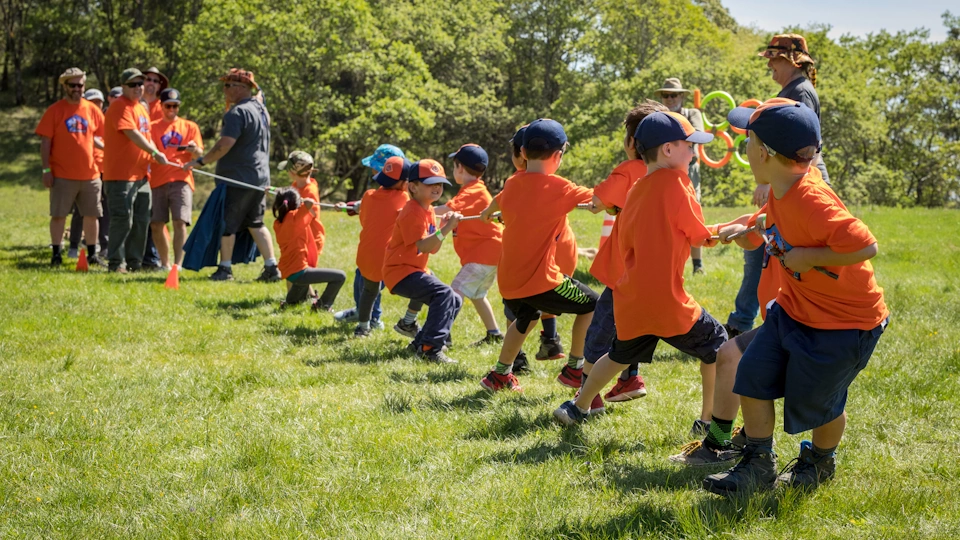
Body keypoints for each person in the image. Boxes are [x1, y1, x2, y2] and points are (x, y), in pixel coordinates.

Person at [703, 99, 888, 495]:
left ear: (765, 152)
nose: (745, 147)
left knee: (822, 406)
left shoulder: (814, 199)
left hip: (845, 322)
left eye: (747, 140)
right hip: (796, 308)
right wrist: (748, 228)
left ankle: (820, 461)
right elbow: (773, 214)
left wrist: (810, 256)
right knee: (751, 375)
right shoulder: (783, 186)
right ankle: (758, 464)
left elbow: (866, 245)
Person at [553, 111, 725, 428]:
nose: (693, 151)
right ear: (668, 150)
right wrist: (728, 231)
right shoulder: (679, 183)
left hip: (633, 298)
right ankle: (711, 422)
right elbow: (700, 234)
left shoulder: (637, 189)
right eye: (689, 145)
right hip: (669, 302)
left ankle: (577, 408)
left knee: (618, 355)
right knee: (720, 347)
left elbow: (626, 240)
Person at [479, 119, 599, 392]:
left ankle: (499, 375)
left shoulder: (512, 182)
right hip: (541, 280)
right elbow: (599, 197)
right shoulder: (560, 188)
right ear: (558, 156)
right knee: (593, 304)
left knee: (527, 317)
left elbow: (501, 196)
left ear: (522, 153)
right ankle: (575, 368)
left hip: (510, 281)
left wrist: (488, 210)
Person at [726, 33, 830, 338]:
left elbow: (797, 149)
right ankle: (744, 323)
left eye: (774, 58)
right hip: (788, 181)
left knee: (770, 252)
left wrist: (771, 186)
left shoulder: (800, 92)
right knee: (760, 250)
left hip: (796, 182)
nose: (769, 64)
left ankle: (758, 323)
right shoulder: (793, 88)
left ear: (791, 60)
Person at [579, 100, 667, 412]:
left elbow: (600, 198)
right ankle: (631, 378)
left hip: (623, 270)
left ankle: (588, 395)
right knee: (632, 325)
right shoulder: (669, 175)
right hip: (653, 269)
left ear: (632, 142)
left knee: (602, 330)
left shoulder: (629, 169)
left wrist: (601, 203)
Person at [184, 68, 279, 282]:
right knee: (256, 222)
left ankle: (225, 269)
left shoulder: (237, 113)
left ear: (242, 88)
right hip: (259, 179)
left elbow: (224, 145)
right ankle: (272, 268)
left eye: (228, 85)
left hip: (238, 178)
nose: (224, 89)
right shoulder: (261, 111)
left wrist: (200, 161)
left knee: (228, 224)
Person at [381, 159, 463, 364]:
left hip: (414, 269)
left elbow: (432, 248)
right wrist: (446, 228)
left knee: (454, 299)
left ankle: (420, 343)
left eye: (440, 183)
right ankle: (430, 349)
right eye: (430, 183)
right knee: (443, 294)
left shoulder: (427, 210)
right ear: (413, 187)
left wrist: (444, 225)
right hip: (400, 272)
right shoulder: (412, 211)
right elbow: (423, 246)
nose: (436, 187)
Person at [432, 144, 504, 345]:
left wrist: (422, 208)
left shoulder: (473, 191)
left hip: (483, 255)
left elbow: (446, 208)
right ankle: (494, 334)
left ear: (460, 168)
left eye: (454, 166)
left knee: (455, 291)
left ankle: (441, 336)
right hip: (489, 254)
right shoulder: (473, 190)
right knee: (477, 294)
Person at [347, 156, 425, 338]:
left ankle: (363, 327)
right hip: (389, 260)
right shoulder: (404, 198)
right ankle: (408, 321)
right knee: (426, 280)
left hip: (365, 257)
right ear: (404, 183)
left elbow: (364, 220)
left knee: (369, 290)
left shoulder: (368, 196)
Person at [36, 67, 106, 268]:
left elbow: (102, 137)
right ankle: (56, 253)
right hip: (62, 175)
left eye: (81, 85)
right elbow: (45, 142)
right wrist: (46, 170)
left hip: (90, 174)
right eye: (73, 85)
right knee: (58, 215)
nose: (77, 89)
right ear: (65, 87)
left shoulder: (92, 110)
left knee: (92, 215)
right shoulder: (55, 110)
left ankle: (92, 254)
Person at [103, 68, 169, 273]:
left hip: (141, 176)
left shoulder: (141, 108)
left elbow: (146, 136)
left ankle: (135, 262)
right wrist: (154, 151)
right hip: (121, 176)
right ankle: (116, 263)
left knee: (141, 222)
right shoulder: (119, 107)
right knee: (123, 219)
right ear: (123, 87)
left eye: (140, 84)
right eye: (132, 84)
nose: (138, 88)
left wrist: (154, 156)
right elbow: (131, 133)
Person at [334, 144, 407, 327]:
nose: (372, 171)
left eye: (375, 167)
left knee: (371, 285)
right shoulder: (395, 196)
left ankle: (372, 317)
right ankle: (362, 311)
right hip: (376, 254)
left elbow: (367, 214)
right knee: (365, 280)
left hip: (385, 254)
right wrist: (349, 206)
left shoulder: (385, 197)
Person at [656, 78, 707, 275]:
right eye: (665, 95)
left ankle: (697, 265)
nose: (669, 99)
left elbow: (697, 136)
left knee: (693, 212)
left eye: (673, 95)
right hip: (663, 171)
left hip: (689, 170)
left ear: (682, 96)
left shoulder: (692, 114)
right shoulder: (658, 116)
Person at [149, 88, 203, 270]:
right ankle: (164, 263)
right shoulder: (152, 127)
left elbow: (200, 153)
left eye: (175, 106)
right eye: (168, 106)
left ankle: (177, 264)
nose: (172, 109)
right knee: (157, 223)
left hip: (182, 179)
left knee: (180, 221)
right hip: (157, 180)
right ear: (161, 105)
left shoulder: (190, 126)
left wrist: (193, 149)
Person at [271, 189, 346, 311]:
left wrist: (300, 202)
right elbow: (309, 203)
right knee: (340, 276)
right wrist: (304, 201)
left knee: (300, 287)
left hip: (289, 271)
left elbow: (305, 206)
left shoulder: (278, 222)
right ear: (296, 204)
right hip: (299, 272)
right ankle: (322, 306)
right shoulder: (295, 218)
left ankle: (290, 303)